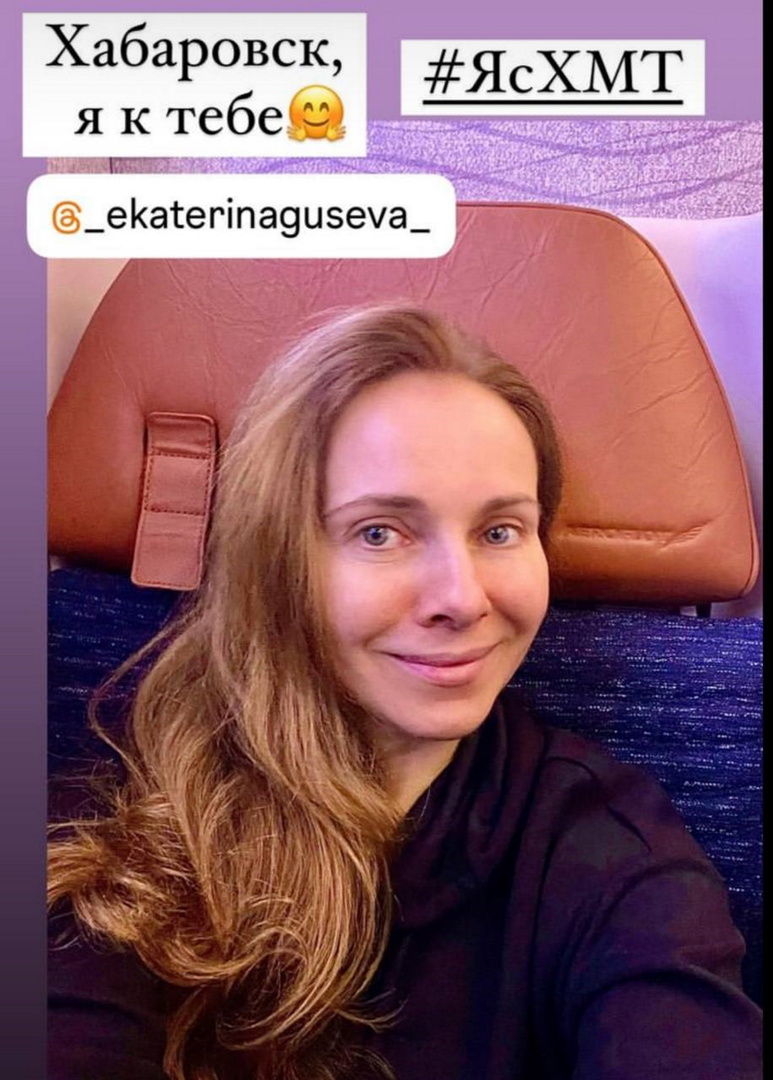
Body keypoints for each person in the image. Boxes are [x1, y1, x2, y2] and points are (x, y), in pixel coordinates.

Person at [48, 305, 762, 1080]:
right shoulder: (122, 828)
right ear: (274, 563)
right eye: (380, 532)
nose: (461, 598)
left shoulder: (608, 852)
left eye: (499, 531)